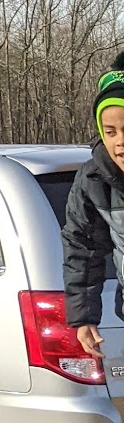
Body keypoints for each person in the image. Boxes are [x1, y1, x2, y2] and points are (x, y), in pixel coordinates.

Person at [62, 52, 124, 360]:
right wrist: (85, 316)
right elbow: (83, 248)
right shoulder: (94, 179)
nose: (120, 142)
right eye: (110, 132)